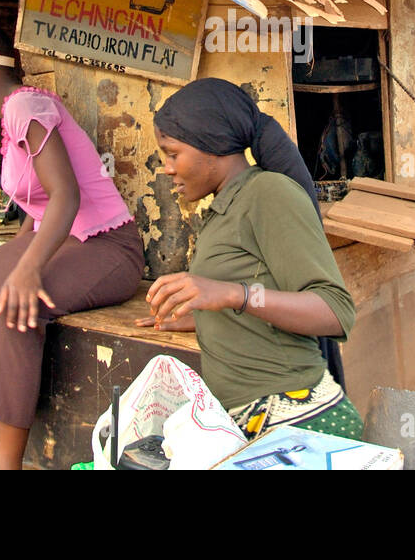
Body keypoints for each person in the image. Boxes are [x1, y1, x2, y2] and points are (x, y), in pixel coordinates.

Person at [0, 24, 143, 470]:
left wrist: (25, 270)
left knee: (14, 304)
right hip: (67, 239)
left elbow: (66, 194)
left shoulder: (26, 105)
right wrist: (13, 257)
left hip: (107, 246)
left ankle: (8, 463)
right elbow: (38, 203)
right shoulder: (14, 113)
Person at [137, 78, 360, 440]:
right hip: (254, 420)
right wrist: (205, 319)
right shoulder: (226, 206)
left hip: (298, 421)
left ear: (211, 145)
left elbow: (335, 311)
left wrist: (234, 295)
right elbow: (263, 301)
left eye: (174, 154)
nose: (167, 168)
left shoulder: (268, 195)